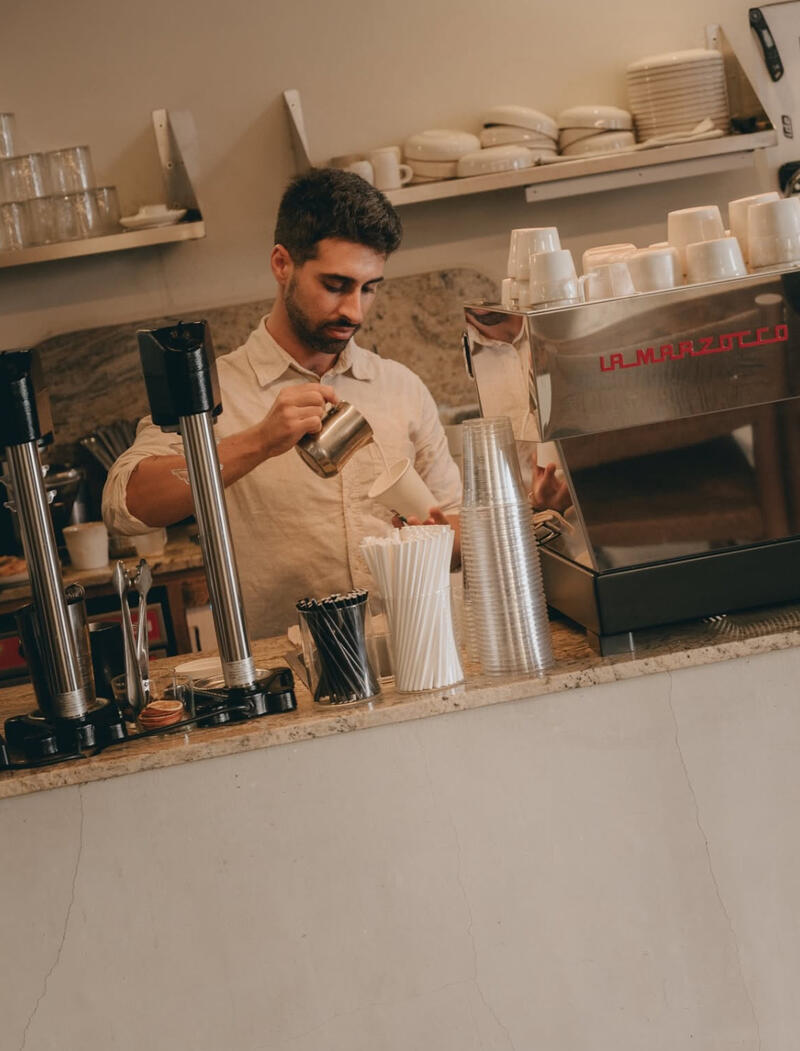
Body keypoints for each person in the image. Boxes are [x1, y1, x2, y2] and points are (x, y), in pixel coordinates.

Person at [103, 168, 462, 638]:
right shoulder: (216, 392)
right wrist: (260, 441)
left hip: (414, 649)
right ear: (282, 264)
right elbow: (124, 506)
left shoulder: (401, 387)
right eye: (335, 285)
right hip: (288, 664)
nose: (354, 310)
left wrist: (458, 529)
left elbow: (455, 524)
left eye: (369, 288)